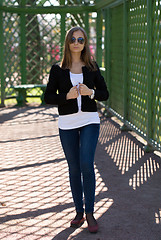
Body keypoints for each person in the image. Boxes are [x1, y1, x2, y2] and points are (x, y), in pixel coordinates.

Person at [44, 26, 109, 233]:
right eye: (73, 39)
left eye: (80, 39)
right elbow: (47, 97)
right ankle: (79, 212)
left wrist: (91, 93)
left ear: (84, 43)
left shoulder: (92, 67)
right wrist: (66, 97)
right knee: (74, 168)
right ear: (67, 42)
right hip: (67, 124)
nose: (76, 42)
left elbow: (105, 93)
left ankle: (90, 212)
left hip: (90, 120)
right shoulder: (57, 69)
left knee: (86, 164)